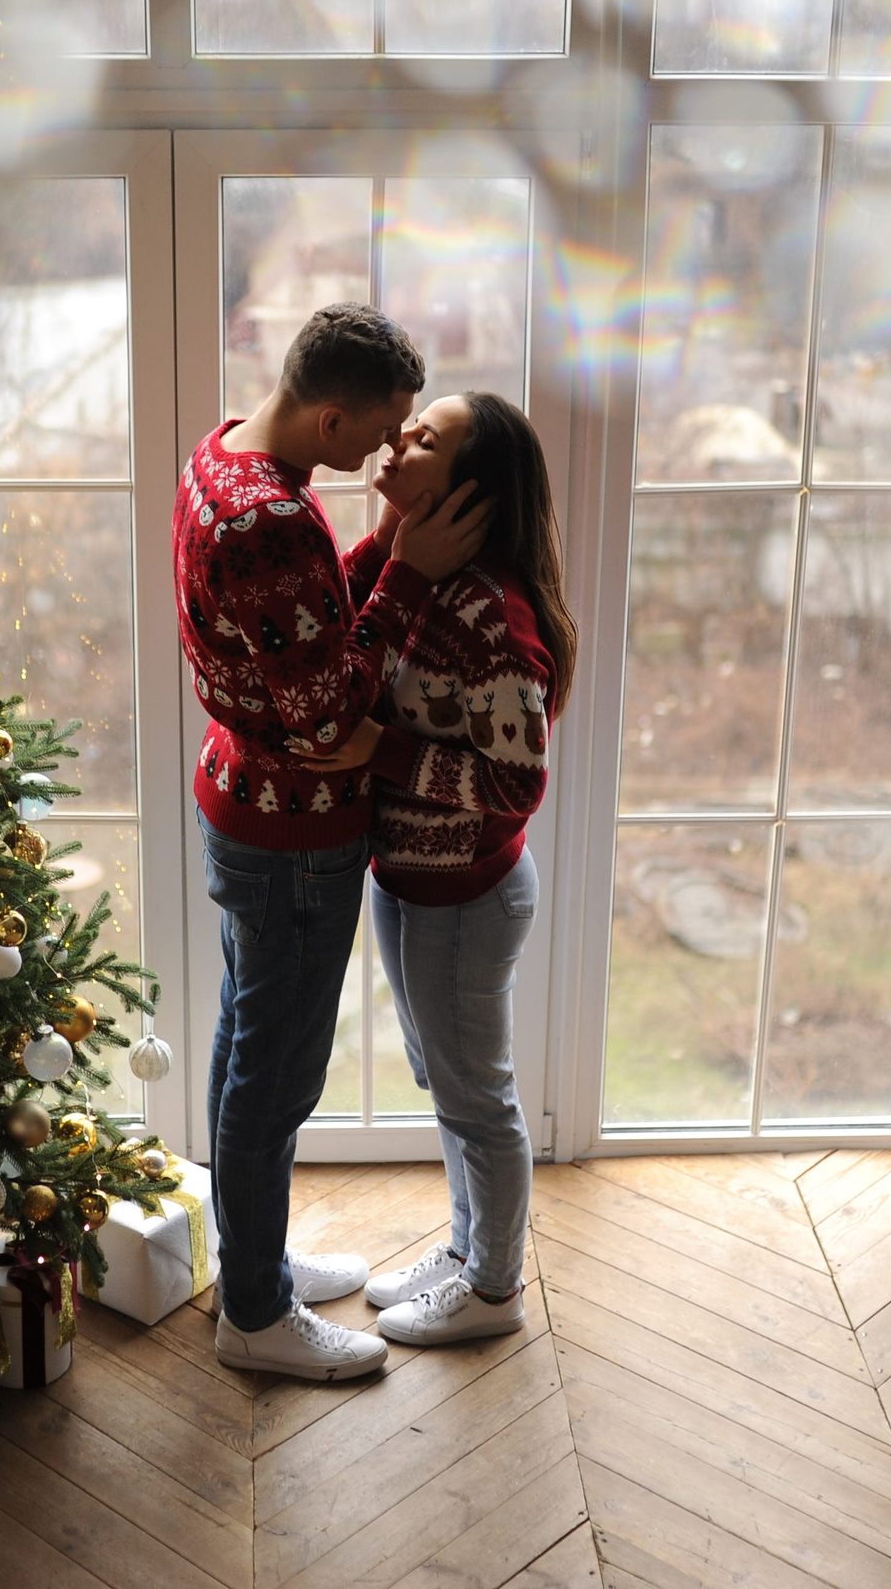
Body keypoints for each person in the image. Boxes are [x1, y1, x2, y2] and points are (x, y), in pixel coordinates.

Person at [174, 303, 493, 1381]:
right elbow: (327, 717)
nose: (382, 452)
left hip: (241, 803)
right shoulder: (271, 524)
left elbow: (295, 628)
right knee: (274, 1076)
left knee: (241, 1047)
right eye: (375, 430)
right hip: (292, 835)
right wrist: (404, 578)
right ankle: (256, 1319)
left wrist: (379, 551)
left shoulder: (222, 457)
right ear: (325, 414)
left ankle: (248, 1262)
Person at [300, 391, 573, 1345]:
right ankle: (466, 1247)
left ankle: (496, 1291)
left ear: (468, 498)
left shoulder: (491, 618)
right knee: (444, 1079)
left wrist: (378, 750)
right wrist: (394, 545)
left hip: (468, 896)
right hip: (410, 882)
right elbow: (338, 624)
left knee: (476, 1095)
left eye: (423, 441)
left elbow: (516, 784)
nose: (395, 439)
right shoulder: (423, 574)